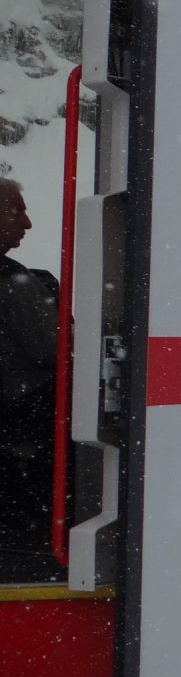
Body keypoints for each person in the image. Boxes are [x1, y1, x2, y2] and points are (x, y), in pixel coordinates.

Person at [0, 178, 58, 542]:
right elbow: (57, 352)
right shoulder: (15, 283)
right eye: (14, 210)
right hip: (24, 422)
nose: (27, 222)